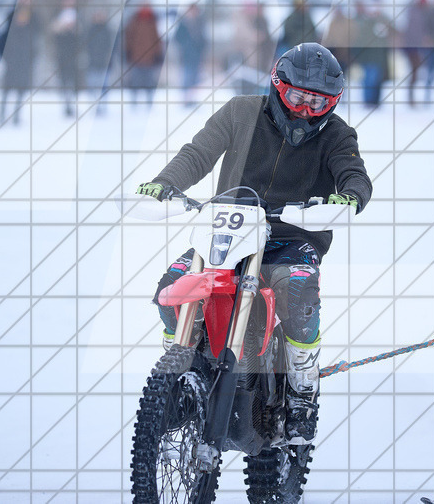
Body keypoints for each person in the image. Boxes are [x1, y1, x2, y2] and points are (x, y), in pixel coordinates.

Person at [136, 43, 372, 444]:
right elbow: (198, 154)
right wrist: (166, 182)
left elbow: (354, 172)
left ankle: (301, 390)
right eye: (297, 97)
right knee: (170, 289)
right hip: (228, 231)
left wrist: (349, 196)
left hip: (292, 236)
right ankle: (179, 375)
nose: (304, 110)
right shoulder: (241, 112)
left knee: (298, 291)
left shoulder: (336, 133)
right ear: (278, 87)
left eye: (318, 103)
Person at [0, 0, 42, 126]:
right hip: (11, 59)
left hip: (25, 60)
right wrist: (5, 56)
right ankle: (2, 114)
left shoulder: (35, 17)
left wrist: (33, 56)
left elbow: (38, 37)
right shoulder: (11, 14)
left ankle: (16, 115)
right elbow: (2, 39)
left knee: (21, 89)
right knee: (7, 88)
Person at [351, 0, 396, 108]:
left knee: (376, 80)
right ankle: (369, 103)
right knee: (369, 81)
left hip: (380, 58)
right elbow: (360, 40)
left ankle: (374, 102)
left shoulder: (384, 20)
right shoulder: (366, 23)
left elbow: (392, 32)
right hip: (368, 57)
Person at [123, 4, 163, 106]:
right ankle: (134, 101)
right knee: (135, 81)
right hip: (136, 58)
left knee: (149, 82)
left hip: (150, 59)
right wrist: (128, 53)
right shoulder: (133, 22)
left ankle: (149, 101)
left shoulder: (153, 22)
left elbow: (157, 40)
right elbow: (128, 39)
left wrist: (158, 55)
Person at [50, 0, 81, 116]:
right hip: (61, 53)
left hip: (74, 53)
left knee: (73, 80)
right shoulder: (57, 14)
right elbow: (52, 30)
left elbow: (82, 32)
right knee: (63, 79)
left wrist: (74, 28)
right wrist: (62, 27)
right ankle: (66, 104)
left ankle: (72, 104)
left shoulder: (79, 14)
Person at [400, 0, 433, 106]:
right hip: (412, 47)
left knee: (415, 71)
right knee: (415, 71)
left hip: (413, 47)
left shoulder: (416, 13)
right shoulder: (416, 14)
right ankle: (411, 98)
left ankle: (412, 97)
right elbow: (415, 32)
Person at [173, 3, 207, 107]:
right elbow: (177, 38)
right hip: (186, 56)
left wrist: (202, 48)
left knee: (195, 79)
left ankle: (192, 99)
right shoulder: (182, 23)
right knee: (186, 78)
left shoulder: (200, 22)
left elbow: (204, 39)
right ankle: (185, 100)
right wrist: (187, 45)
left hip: (197, 56)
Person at [83, 10, 115, 114]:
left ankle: (102, 106)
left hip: (104, 64)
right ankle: (94, 105)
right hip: (92, 63)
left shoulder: (108, 31)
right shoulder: (89, 31)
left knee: (103, 86)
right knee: (92, 85)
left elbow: (111, 47)